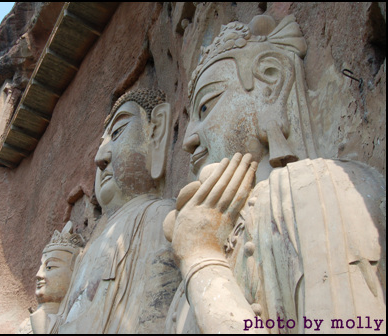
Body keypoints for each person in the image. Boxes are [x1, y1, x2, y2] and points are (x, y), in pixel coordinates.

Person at [165, 15, 386, 334]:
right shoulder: (203, 237)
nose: (188, 139)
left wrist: (200, 257)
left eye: (205, 108)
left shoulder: (316, 191)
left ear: (270, 83)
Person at [58, 89, 181, 333]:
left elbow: (154, 319)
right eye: (100, 146)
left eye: (117, 133)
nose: (100, 158)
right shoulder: (88, 250)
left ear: (155, 133)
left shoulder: (158, 217)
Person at [18, 221, 84, 334]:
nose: (38, 274)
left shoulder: (79, 318)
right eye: (41, 267)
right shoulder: (25, 327)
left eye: (49, 267)